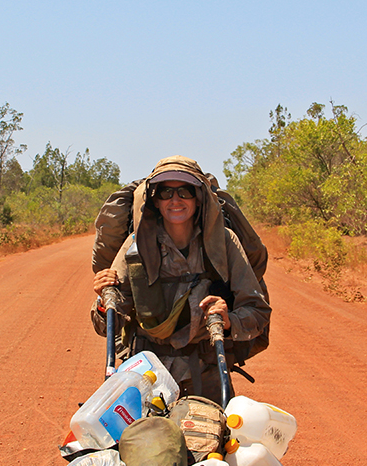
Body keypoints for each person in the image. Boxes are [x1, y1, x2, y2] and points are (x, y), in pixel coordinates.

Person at [92, 156, 270, 400]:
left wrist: (228, 321)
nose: (175, 200)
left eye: (185, 191)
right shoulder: (135, 245)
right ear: (154, 200)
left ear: (199, 198)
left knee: (210, 436)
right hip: (144, 375)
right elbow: (106, 325)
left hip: (206, 374)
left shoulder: (224, 242)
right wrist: (104, 302)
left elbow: (257, 311)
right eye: (165, 192)